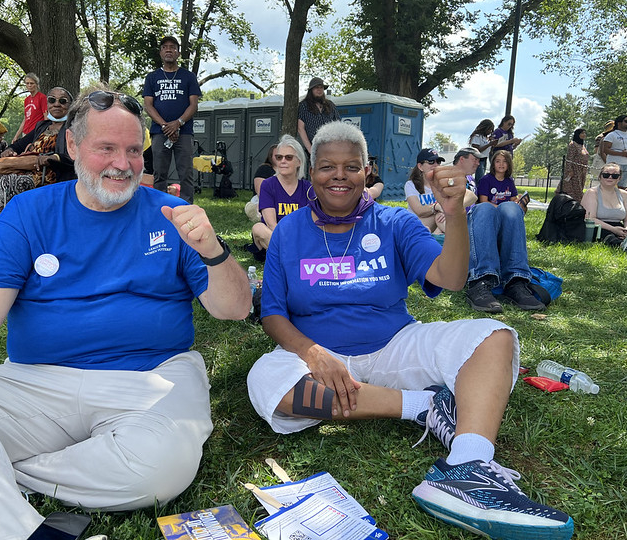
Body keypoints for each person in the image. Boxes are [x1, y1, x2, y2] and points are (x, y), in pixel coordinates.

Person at [0, 87, 252, 540]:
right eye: (107, 148)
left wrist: (214, 252)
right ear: (73, 147)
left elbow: (235, 310)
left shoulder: (173, 215)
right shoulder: (29, 212)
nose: (123, 163)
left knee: (160, 469)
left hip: (152, 377)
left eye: (134, 150)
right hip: (38, 380)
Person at [246, 121, 573, 540]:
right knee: (266, 383)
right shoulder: (288, 231)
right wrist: (312, 353)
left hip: (394, 346)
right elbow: (273, 313)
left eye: (352, 166)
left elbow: (450, 278)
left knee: (495, 336)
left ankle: (467, 468)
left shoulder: (394, 222)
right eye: (328, 167)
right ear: (313, 174)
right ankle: (421, 406)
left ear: (368, 171)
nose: (340, 176)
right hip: (319, 356)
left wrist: (454, 216)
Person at [0, 87, 76, 245]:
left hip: (49, 174)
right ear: (48, 104)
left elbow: (78, 157)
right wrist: (9, 150)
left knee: (9, 182)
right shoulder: (42, 126)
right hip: (25, 168)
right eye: (52, 100)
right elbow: (20, 144)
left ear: (70, 105)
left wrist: (54, 157)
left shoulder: (74, 129)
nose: (57, 104)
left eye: (62, 101)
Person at [466, 150, 544, 312]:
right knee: (484, 208)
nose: (501, 165)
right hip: (481, 221)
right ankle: (481, 279)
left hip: (502, 223)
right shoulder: (484, 180)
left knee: (512, 208)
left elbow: (512, 201)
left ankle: (515, 280)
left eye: (504, 162)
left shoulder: (508, 181)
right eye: (497, 161)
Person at [143, 36, 201, 204]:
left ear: (178, 52)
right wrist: (165, 126)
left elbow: (193, 105)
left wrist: (178, 123)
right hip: (159, 132)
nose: (169, 50)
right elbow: (148, 105)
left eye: (173, 47)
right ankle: (159, 207)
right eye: (165, 47)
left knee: (186, 173)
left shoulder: (188, 77)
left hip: (184, 132)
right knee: (159, 173)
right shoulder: (152, 77)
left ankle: (187, 207)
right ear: (161, 52)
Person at [251, 136, 311, 252]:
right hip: (274, 237)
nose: (283, 161)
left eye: (288, 157)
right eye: (279, 157)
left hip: (299, 239)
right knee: (258, 228)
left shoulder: (308, 188)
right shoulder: (268, 185)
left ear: (299, 161)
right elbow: (271, 224)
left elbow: (309, 223)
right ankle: (289, 254)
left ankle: (287, 254)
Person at [405, 148, 447, 233]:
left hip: (435, 224)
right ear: (420, 166)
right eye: (431, 162)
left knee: (441, 218)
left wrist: (446, 212)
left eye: (438, 162)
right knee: (439, 216)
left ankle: (436, 236)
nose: (435, 165)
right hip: (414, 226)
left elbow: (471, 197)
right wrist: (436, 207)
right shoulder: (411, 185)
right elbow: (419, 210)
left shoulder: (443, 183)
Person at [297, 77, 340, 153]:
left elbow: (338, 125)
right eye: (316, 88)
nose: (319, 90)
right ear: (311, 90)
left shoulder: (330, 105)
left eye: (321, 87)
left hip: (331, 147)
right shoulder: (303, 106)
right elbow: (300, 129)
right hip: (313, 147)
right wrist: (310, 150)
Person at [601, 114, 627, 188]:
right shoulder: (611, 135)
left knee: (623, 187)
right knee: (610, 186)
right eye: (626, 121)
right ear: (619, 123)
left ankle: (619, 199)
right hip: (614, 164)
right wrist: (621, 153)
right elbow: (605, 150)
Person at [245, 144, 277, 223]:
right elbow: (260, 190)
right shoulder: (264, 169)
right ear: (271, 156)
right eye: (278, 156)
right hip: (263, 198)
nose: (282, 159)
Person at [12, 73, 47, 141]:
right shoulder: (26, 100)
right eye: (27, 83)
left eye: (32, 83)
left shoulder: (42, 97)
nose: (29, 85)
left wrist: (45, 133)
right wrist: (16, 136)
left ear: (36, 84)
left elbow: (46, 116)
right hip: (25, 132)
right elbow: (25, 119)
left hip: (36, 132)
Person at [558, 128, 589, 202]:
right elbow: (569, 158)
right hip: (574, 170)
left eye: (584, 133)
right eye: (582, 133)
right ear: (577, 135)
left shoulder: (582, 145)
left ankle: (578, 202)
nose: (584, 135)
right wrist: (570, 170)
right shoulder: (573, 144)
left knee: (580, 186)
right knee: (574, 188)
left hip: (582, 171)